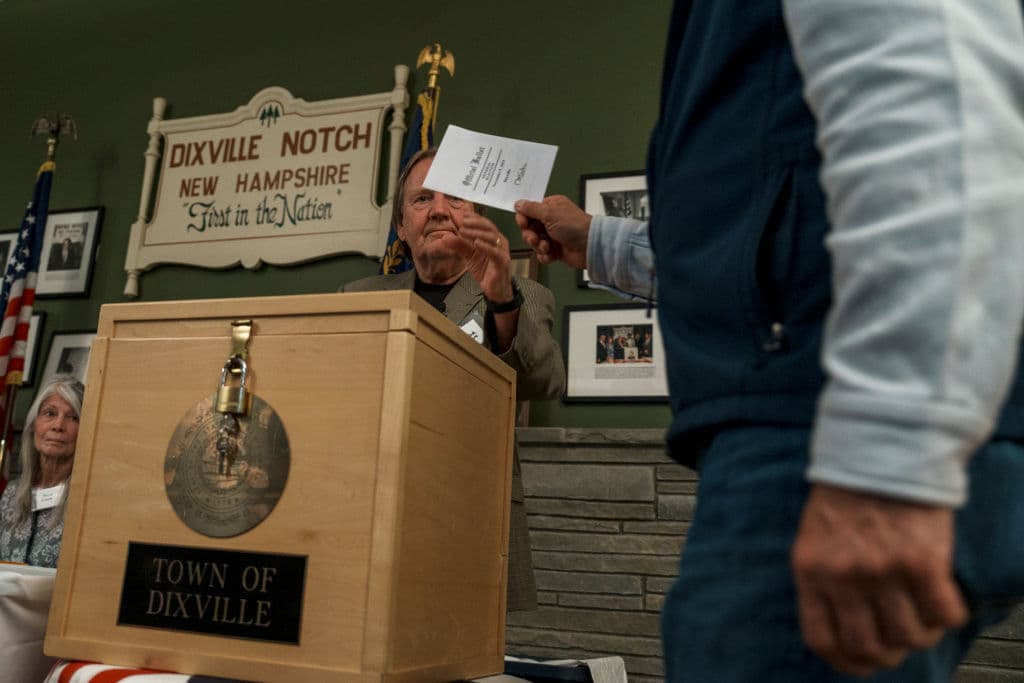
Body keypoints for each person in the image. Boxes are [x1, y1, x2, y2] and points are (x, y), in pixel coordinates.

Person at [515, 2, 1024, 681]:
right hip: (808, 419)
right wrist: (599, 243)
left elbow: (935, 107)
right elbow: (759, 238)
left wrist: (891, 450)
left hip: (825, 426)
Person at [344, 147, 566, 612]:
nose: (440, 210)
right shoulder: (357, 296)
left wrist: (501, 299)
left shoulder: (523, 293)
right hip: (370, 514)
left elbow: (545, 381)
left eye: (456, 198)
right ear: (401, 225)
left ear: (476, 218)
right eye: (422, 198)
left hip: (471, 518)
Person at [0, 376, 85, 567]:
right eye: (49, 413)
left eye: (73, 417)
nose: (58, 426)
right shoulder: (11, 492)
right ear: (33, 425)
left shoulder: (88, 501)